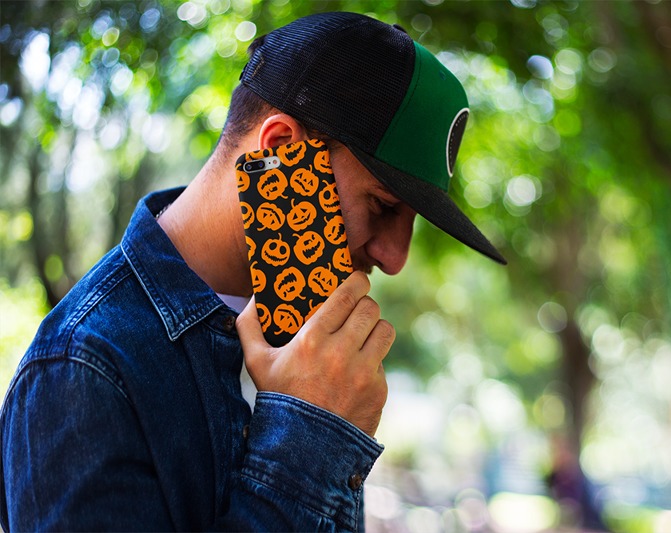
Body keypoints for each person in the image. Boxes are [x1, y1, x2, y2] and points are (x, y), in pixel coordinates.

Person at [0, 11, 505, 531]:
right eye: (382, 206)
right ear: (282, 149)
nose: (395, 258)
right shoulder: (82, 369)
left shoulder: (308, 343)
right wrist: (310, 433)